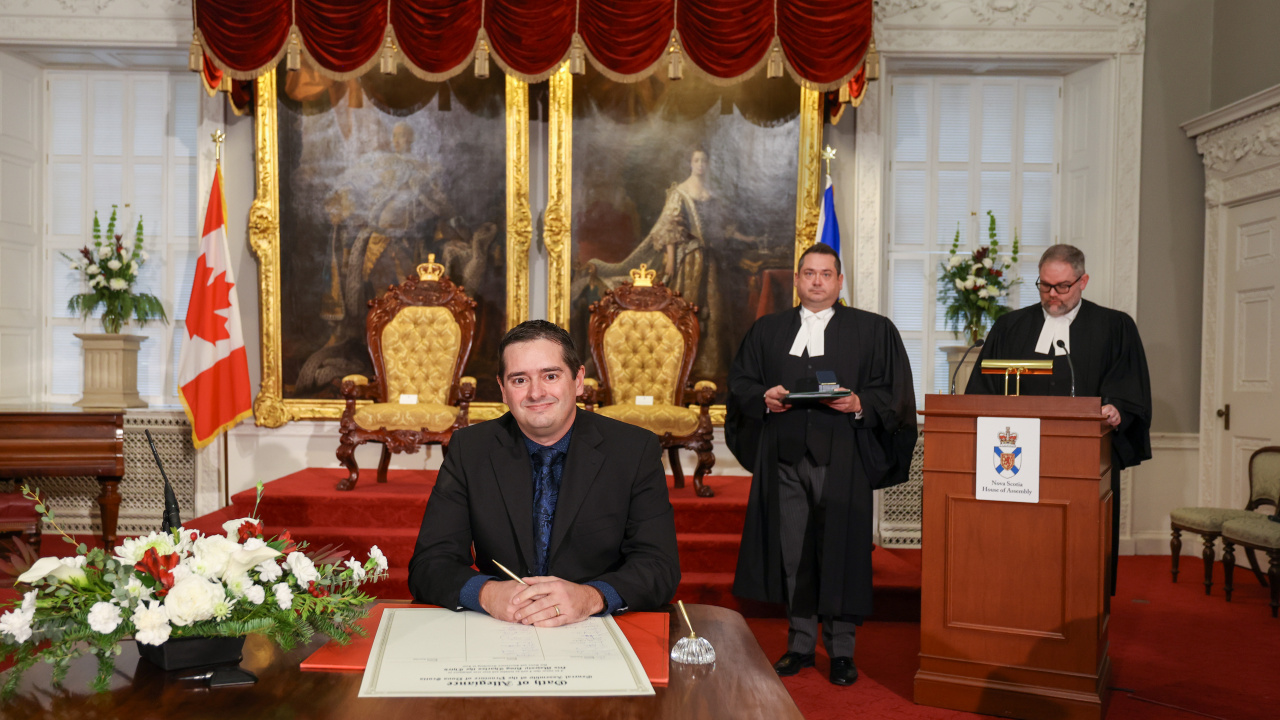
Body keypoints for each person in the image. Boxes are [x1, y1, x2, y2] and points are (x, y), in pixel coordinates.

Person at [728, 244, 917, 686]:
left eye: (826, 274)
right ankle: (798, 644)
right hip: (785, 458)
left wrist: (858, 402)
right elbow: (740, 382)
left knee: (842, 553)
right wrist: (764, 398)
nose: (817, 281)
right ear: (796, 280)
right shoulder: (767, 330)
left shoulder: (873, 330)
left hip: (843, 458)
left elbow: (895, 392)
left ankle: (842, 650)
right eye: (808, 273)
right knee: (793, 552)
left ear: (840, 281)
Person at [408, 320, 681, 625]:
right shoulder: (470, 449)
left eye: (550, 376)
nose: (536, 393)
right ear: (502, 389)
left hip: (595, 625)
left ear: (578, 380)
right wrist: (486, 593)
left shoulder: (633, 449)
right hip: (501, 627)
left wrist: (591, 597)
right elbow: (429, 564)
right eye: (519, 380)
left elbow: (659, 566)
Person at [965, 244, 1151, 596]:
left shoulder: (1114, 326)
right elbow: (982, 390)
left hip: (1083, 461)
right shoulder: (1010, 327)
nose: (1053, 295)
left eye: (1062, 286)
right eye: (1045, 285)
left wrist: (1116, 410)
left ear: (1083, 281)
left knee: (1077, 553)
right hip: (1014, 464)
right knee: (1018, 549)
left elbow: (1127, 387)